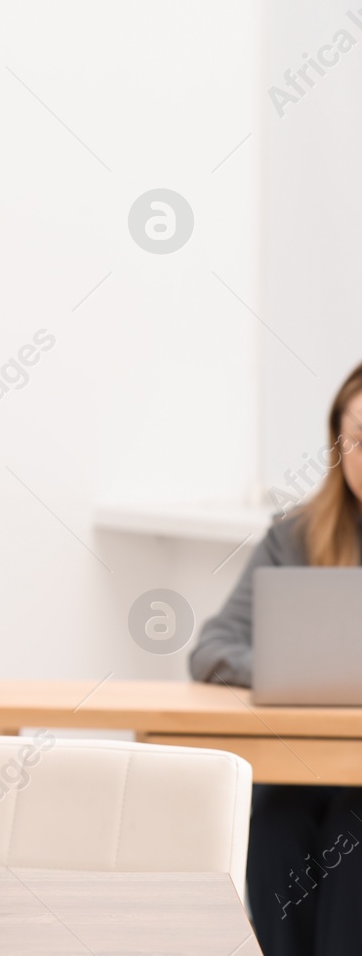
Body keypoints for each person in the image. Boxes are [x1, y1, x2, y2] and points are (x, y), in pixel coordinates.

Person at [191, 361, 362, 956]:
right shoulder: (295, 535)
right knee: (273, 827)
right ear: (338, 444)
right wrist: (298, 674)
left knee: (353, 828)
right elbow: (212, 651)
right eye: (358, 437)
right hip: (306, 760)